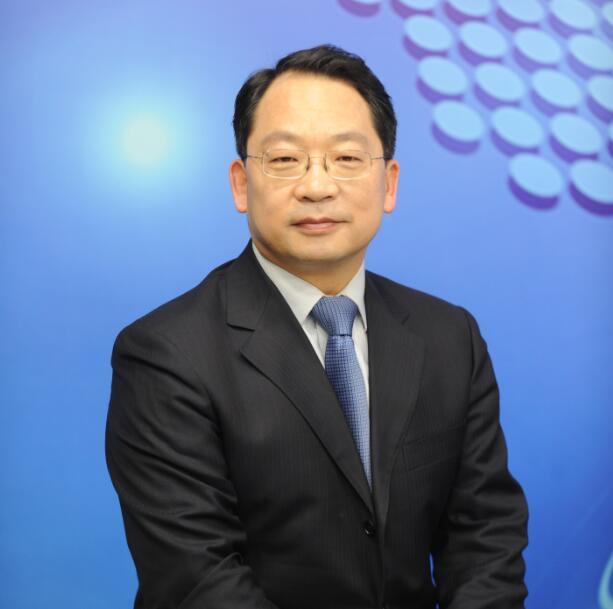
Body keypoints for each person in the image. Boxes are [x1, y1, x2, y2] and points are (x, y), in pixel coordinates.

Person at [106, 44, 528, 609]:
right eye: (285, 159)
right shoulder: (166, 353)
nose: (317, 186)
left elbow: (486, 539)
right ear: (240, 183)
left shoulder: (450, 337)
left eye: (346, 158)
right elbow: (198, 580)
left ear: (389, 183)